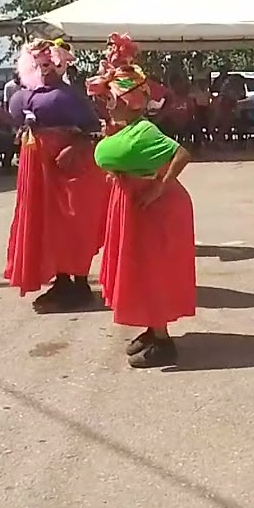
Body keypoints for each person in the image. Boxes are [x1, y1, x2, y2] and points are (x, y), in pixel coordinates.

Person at [86, 33, 196, 369]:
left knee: (152, 269)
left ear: (128, 100)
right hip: (134, 204)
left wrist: (158, 188)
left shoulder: (145, 130)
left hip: (155, 209)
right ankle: (151, 329)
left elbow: (181, 153)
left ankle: (163, 340)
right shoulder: (122, 128)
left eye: (111, 98)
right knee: (137, 267)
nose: (107, 104)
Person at [4, 38, 109, 313]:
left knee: (72, 222)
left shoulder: (70, 95)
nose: (45, 69)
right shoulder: (24, 93)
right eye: (39, 64)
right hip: (38, 166)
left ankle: (79, 283)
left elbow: (94, 129)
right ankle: (62, 281)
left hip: (69, 167)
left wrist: (74, 147)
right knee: (46, 222)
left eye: (49, 64)